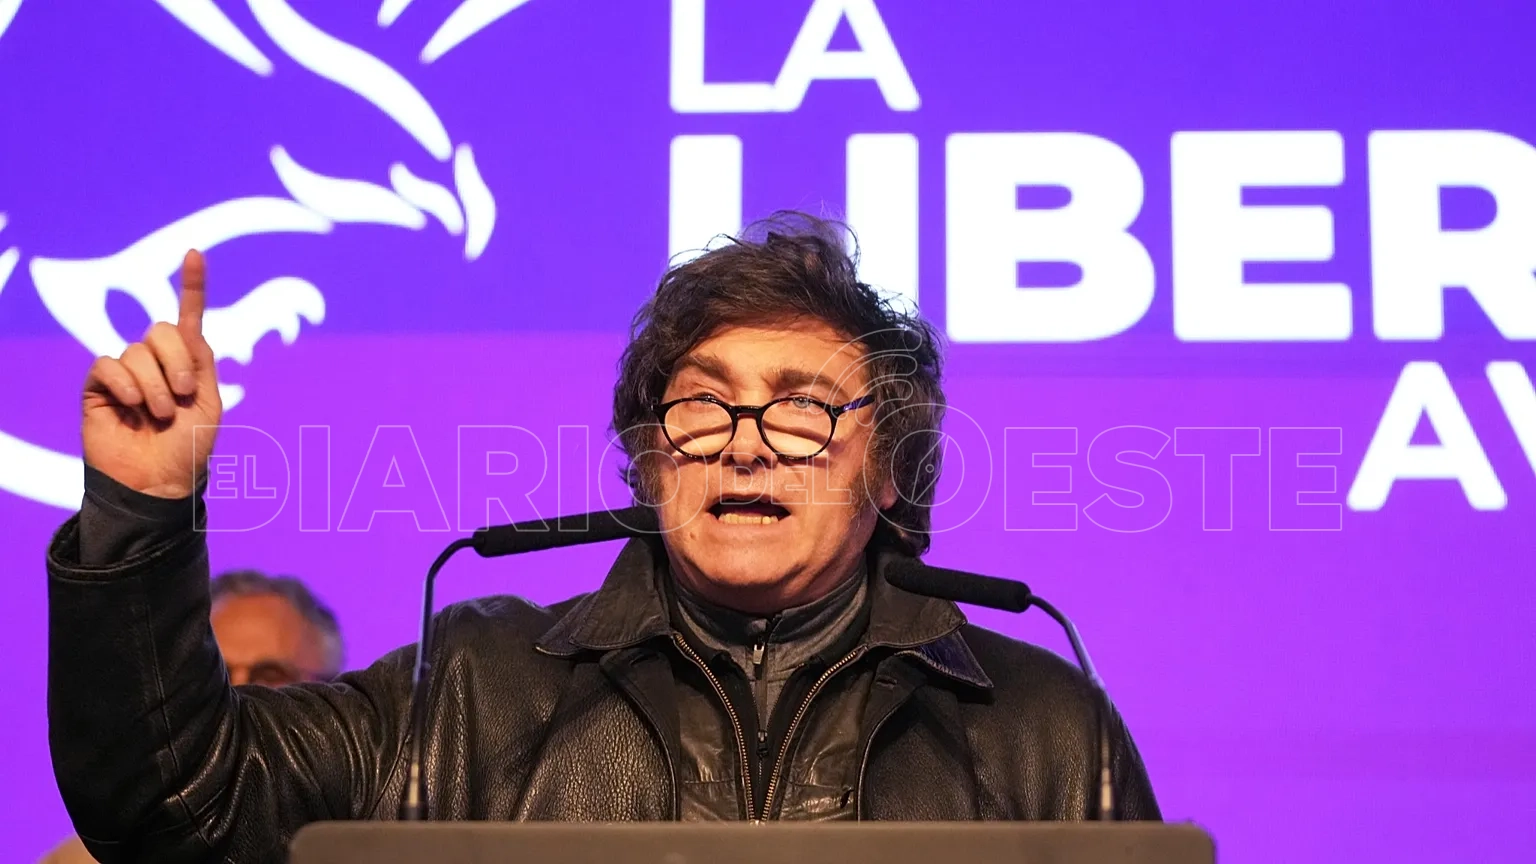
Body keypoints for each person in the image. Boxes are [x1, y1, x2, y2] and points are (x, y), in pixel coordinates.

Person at [47, 214, 1157, 863]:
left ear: (891, 467)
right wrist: (141, 508)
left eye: (803, 408)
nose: (745, 445)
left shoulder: (1044, 731)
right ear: (652, 458)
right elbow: (177, 808)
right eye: (702, 404)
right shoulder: (470, 686)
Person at [41, 570, 343, 863]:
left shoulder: (364, 848)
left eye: (269, 675)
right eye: (217, 675)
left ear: (327, 696)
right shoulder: (88, 861)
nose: (237, 692)